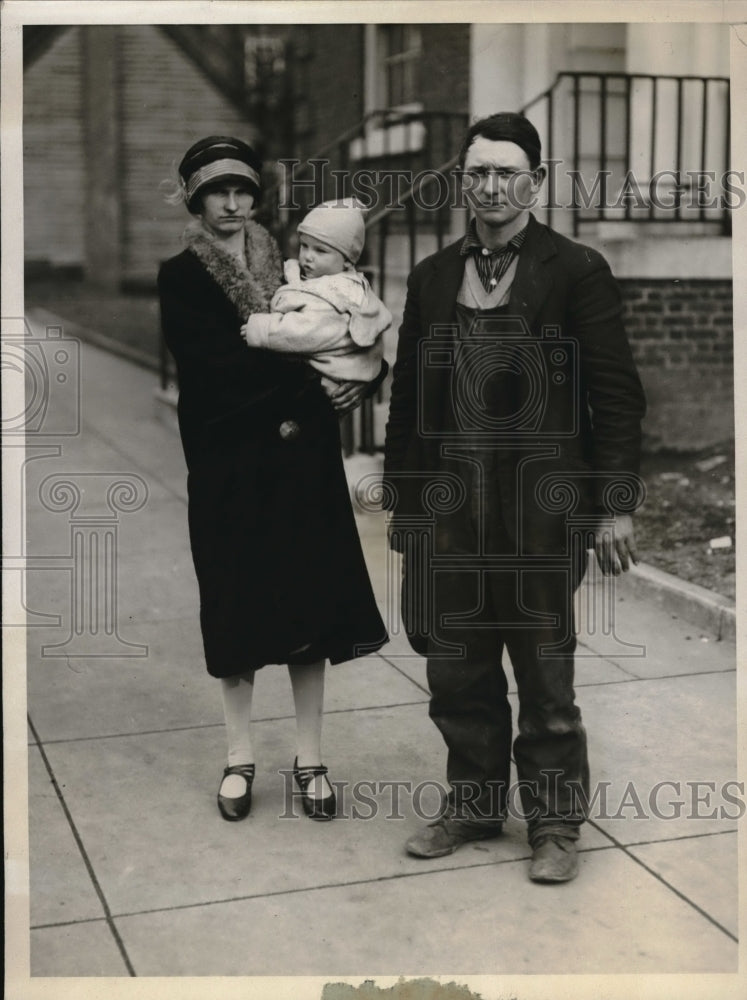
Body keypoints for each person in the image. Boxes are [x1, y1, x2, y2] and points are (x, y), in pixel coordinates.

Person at [383, 112, 646, 881]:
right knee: (457, 668)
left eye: (505, 172)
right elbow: (406, 400)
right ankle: (470, 804)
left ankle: (555, 827)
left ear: (534, 180)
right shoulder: (433, 277)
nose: (490, 186)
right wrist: (406, 503)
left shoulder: (573, 271)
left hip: (538, 507)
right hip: (451, 505)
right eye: (477, 173)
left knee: (542, 670)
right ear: (463, 181)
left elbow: (615, 395)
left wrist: (614, 504)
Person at [158, 136, 388, 824]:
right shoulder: (182, 276)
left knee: (309, 606)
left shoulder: (296, 267)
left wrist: (361, 379)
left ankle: (310, 757)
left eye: (243, 191)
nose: (232, 204)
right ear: (196, 201)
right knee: (236, 603)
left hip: (302, 465)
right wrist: (320, 385)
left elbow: (351, 332)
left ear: (257, 197)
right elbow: (214, 372)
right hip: (229, 461)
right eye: (217, 193)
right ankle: (238, 755)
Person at [243, 199, 392, 391]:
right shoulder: (316, 278)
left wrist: (261, 329)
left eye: (320, 250)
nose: (307, 256)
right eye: (304, 245)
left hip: (327, 380)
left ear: (347, 261)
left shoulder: (341, 295)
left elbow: (306, 331)